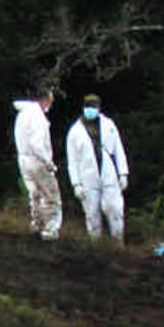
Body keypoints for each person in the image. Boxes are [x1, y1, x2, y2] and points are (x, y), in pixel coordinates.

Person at [66, 94, 130, 242]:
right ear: (83, 109)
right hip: (87, 178)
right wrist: (76, 184)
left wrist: (123, 173)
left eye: (93, 107)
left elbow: (118, 150)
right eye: (88, 107)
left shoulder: (109, 125)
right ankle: (96, 247)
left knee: (115, 210)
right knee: (92, 214)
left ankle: (118, 243)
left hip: (109, 175)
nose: (91, 110)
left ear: (99, 108)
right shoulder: (75, 132)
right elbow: (72, 161)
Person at [12, 90, 62, 241]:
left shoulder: (22, 114)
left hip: (23, 159)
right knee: (50, 195)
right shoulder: (37, 117)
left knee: (34, 194)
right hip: (37, 160)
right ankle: (50, 229)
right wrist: (48, 162)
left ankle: (37, 224)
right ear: (45, 100)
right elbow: (37, 144)